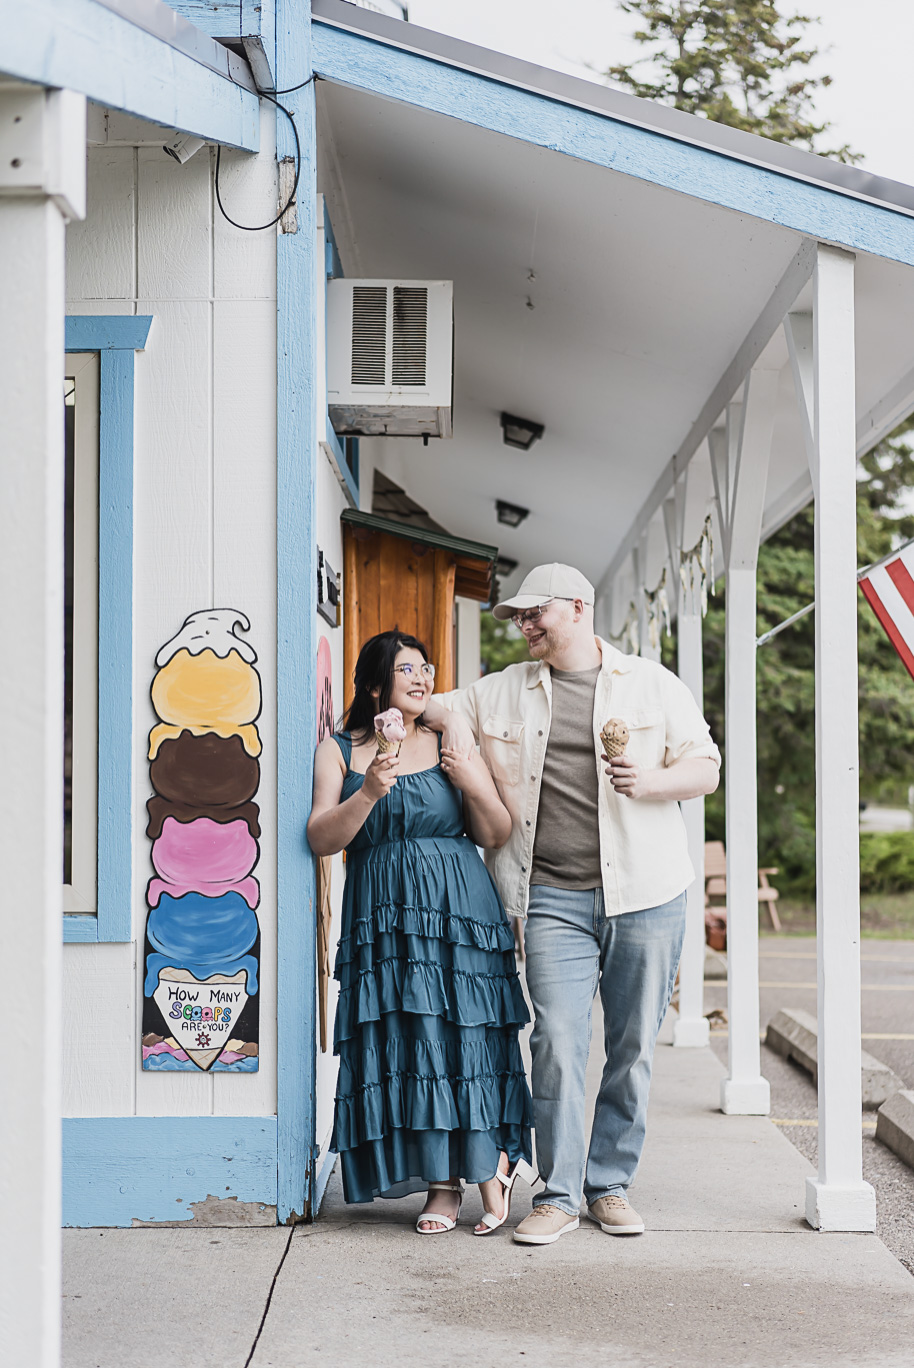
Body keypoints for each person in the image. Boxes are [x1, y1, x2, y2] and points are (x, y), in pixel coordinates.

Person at [425, 563, 721, 1245]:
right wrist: (428, 718)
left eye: (537, 613)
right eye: (520, 616)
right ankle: (556, 1193)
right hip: (551, 896)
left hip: (646, 894)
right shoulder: (502, 691)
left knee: (631, 1046)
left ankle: (609, 1185)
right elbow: (438, 707)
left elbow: (705, 765)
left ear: (579, 609)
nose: (525, 625)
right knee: (556, 1040)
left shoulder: (650, 683)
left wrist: (650, 781)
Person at [308, 630, 535, 1235]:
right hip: (384, 914)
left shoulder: (447, 738)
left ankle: (488, 1161)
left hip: (457, 908)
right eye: (406, 669)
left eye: (425, 668)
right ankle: (441, 1184)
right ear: (376, 682)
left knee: (465, 1036)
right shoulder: (339, 751)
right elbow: (321, 838)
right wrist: (372, 792)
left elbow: (494, 832)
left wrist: (469, 778)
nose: (421, 677)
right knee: (410, 1040)